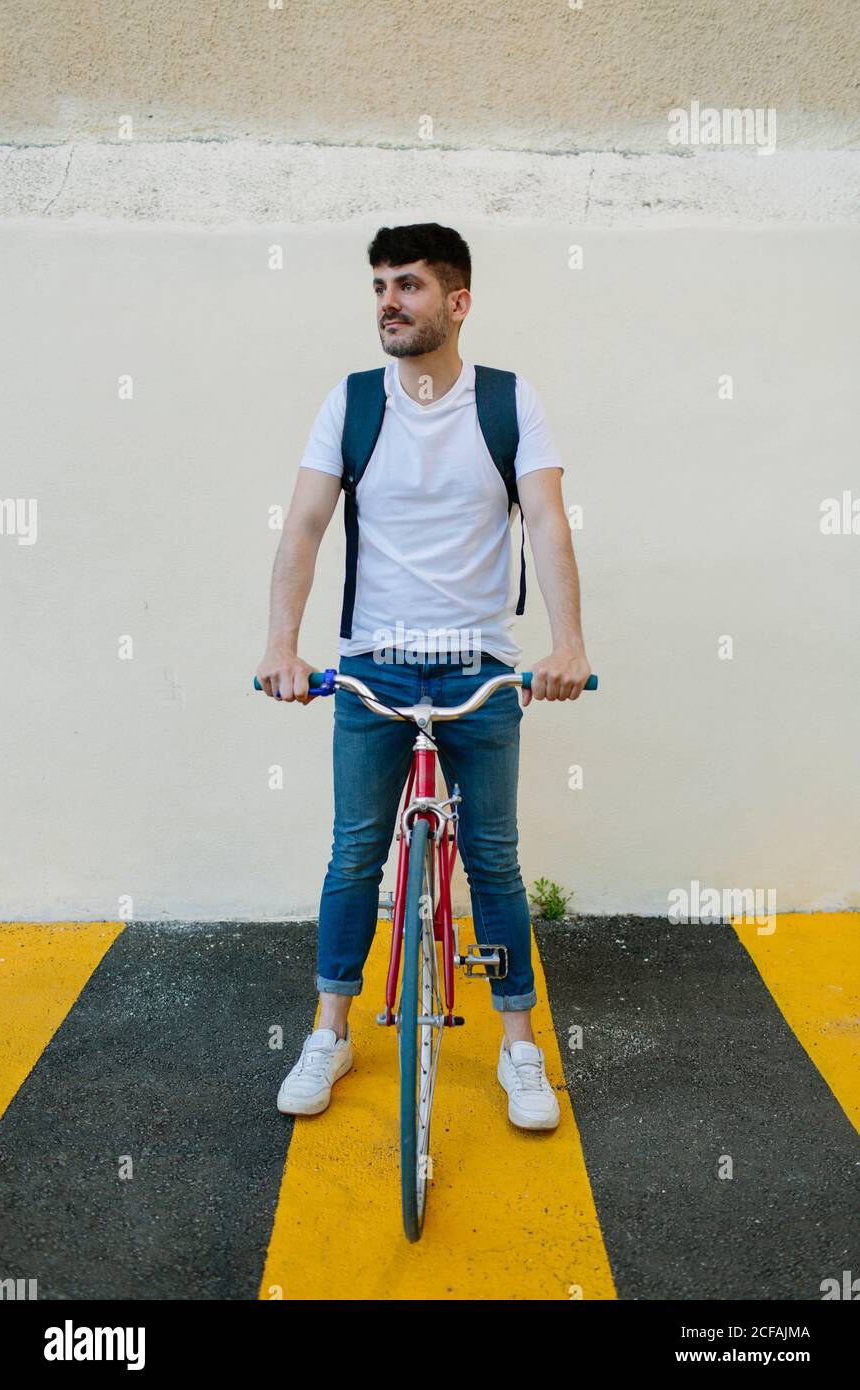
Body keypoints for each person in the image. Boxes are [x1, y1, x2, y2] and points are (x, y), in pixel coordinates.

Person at [256, 223, 592, 1131]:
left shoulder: (510, 404)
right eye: (378, 287)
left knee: (493, 861)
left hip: (480, 668)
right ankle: (330, 1030)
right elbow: (303, 527)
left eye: (407, 285)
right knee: (354, 852)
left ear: (458, 301)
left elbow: (549, 525)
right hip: (373, 668)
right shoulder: (354, 402)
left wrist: (568, 645)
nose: (388, 303)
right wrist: (283, 645)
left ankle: (520, 1046)